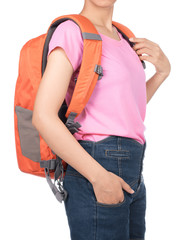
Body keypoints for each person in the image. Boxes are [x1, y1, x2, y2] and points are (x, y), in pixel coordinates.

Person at [32, 0, 171, 239]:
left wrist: (162, 73)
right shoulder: (72, 32)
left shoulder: (125, 39)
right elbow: (43, 116)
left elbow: (124, 108)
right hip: (97, 165)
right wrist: (99, 177)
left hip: (133, 169)